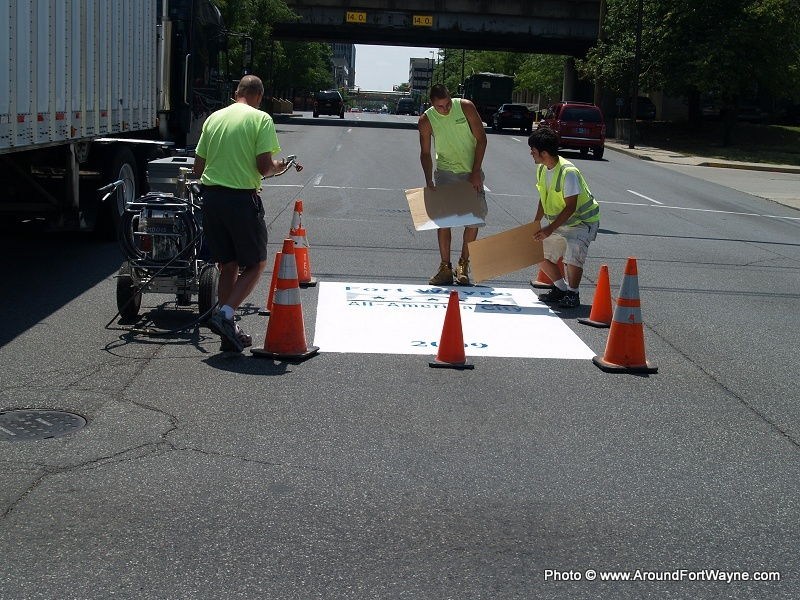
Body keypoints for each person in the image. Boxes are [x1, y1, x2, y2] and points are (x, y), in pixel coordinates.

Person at [192, 75, 288, 352]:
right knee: (256, 264)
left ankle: (228, 329)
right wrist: (280, 165)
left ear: (237, 92)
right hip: (240, 200)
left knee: (228, 264)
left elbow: (199, 167)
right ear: (258, 95)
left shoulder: (214, 118)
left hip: (211, 198)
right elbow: (263, 167)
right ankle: (224, 314)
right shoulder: (261, 119)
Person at [418, 84, 488, 286]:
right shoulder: (426, 120)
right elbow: (424, 153)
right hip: (446, 172)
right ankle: (445, 267)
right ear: (432, 104)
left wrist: (475, 171)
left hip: (470, 172)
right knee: (443, 221)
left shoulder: (465, 107)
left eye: (447, 104)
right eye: (440, 106)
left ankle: (463, 265)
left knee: (473, 221)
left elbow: (482, 139)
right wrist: (428, 178)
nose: (446, 109)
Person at [528, 127, 600, 308]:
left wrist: (549, 229)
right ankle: (561, 289)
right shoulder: (542, 169)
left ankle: (573, 294)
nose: (531, 153)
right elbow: (543, 198)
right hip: (562, 223)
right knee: (536, 253)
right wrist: (536, 223)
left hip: (582, 223)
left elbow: (571, 207)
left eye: (533, 150)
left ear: (544, 153)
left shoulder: (568, 173)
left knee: (572, 256)